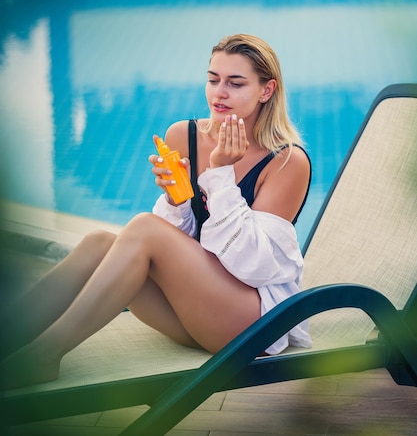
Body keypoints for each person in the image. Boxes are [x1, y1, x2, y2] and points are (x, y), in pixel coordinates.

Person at [1, 33, 312, 390]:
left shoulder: (287, 161)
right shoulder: (185, 135)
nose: (219, 93)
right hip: (194, 312)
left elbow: (255, 268)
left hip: (251, 326)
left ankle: (42, 357)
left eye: (235, 83)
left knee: (145, 229)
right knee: (100, 242)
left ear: (266, 90)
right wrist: (176, 202)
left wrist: (219, 174)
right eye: (213, 80)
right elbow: (175, 248)